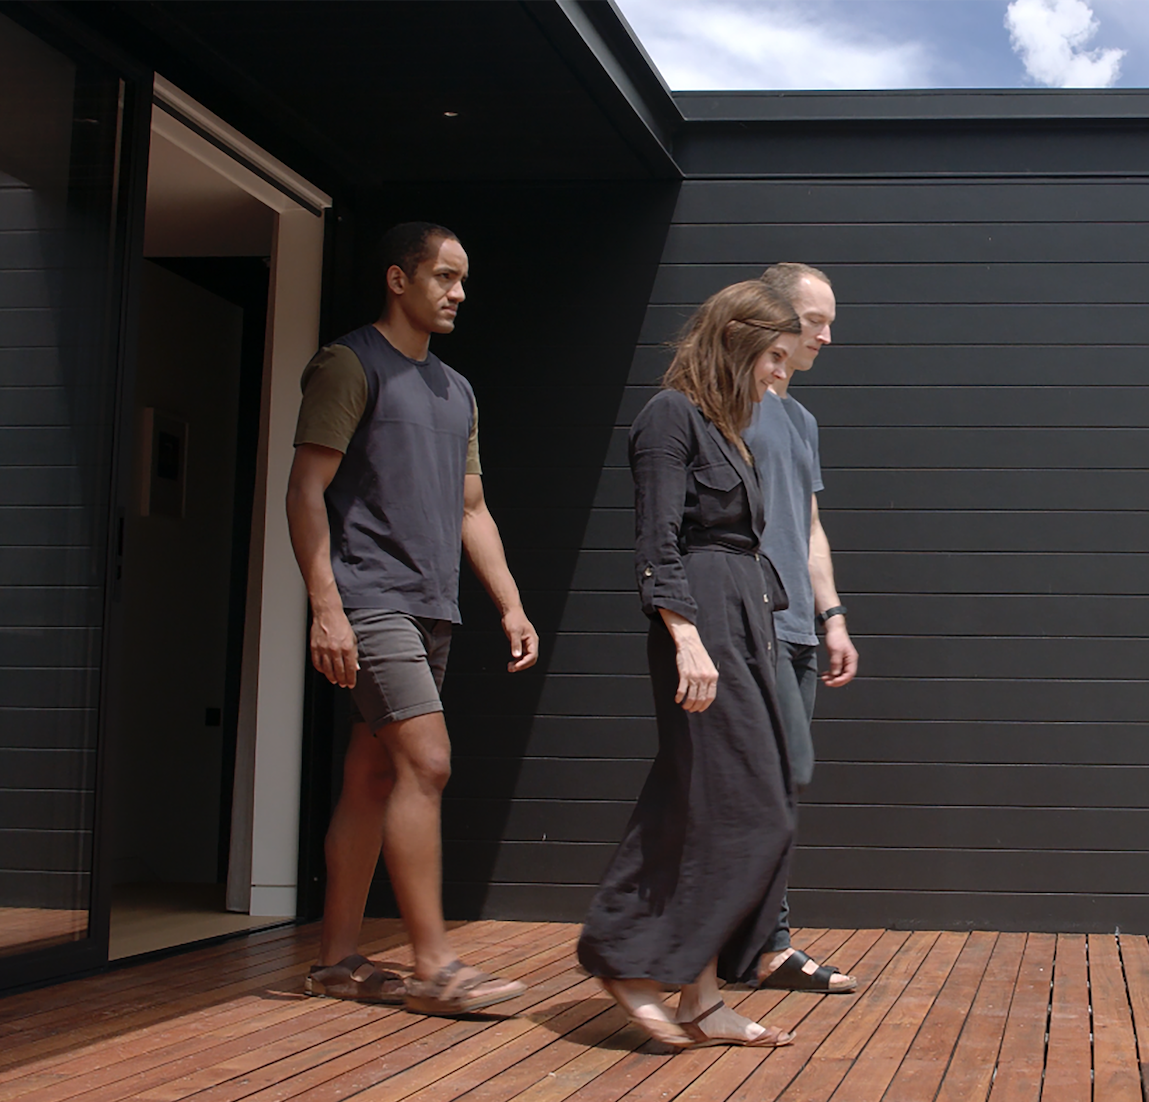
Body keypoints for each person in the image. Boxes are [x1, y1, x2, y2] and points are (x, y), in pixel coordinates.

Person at [289, 222, 538, 1015]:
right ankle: (434, 965)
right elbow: (305, 491)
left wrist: (509, 601)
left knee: (371, 775)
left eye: (463, 279)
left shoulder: (456, 390)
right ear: (399, 279)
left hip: (434, 606)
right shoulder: (349, 363)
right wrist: (326, 605)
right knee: (427, 761)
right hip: (371, 600)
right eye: (444, 276)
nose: (458, 292)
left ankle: (336, 963)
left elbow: (473, 507)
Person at [578, 281, 803, 1050]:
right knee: (745, 806)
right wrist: (686, 635)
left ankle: (700, 995)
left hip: (743, 617)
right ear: (738, 341)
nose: (780, 372)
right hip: (701, 617)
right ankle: (625, 954)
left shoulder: (729, 429)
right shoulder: (667, 416)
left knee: (713, 801)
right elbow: (658, 542)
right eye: (774, 355)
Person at [743, 263, 860, 993]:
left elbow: (809, 527)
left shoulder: (801, 418)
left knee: (783, 782)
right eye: (815, 321)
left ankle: (763, 943)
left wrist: (833, 615)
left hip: (798, 630)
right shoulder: (727, 404)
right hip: (744, 624)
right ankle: (759, 941)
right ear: (773, 317)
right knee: (764, 781)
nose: (825, 336)